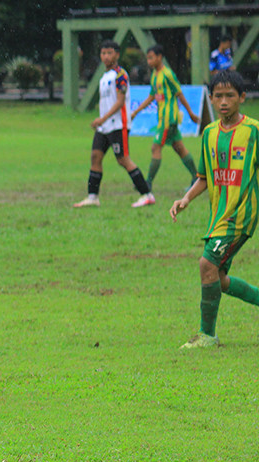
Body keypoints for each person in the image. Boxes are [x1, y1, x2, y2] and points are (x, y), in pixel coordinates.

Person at [170, 70, 259, 349]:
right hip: (218, 216)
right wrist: (185, 199)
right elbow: (205, 177)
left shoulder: (254, 131)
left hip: (241, 215)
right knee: (217, 278)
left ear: (242, 97)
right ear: (210, 98)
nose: (223, 101)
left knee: (206, 264)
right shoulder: (209, 133)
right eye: (218, 96)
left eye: (229, 96)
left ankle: (207, 335)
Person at [74, 41, 155, 209]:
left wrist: (102, 118)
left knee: (123, 160)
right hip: (104, 127)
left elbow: (120, 102)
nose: (105, 56)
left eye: (109, 53)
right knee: (95, 157)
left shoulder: (121, 75)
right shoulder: (104, 77)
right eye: (103, 53)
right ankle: (92, 197)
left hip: (118, 125)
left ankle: (147, 194)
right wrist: (102, 120)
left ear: (117, 55)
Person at [130, 44, 201, 190]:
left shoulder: (168, 74)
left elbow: (179, 93)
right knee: (179, 148)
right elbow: (151, 97)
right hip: (163, 118)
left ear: (159, 57)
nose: (149, 61)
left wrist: (191, 113)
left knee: (155, 147)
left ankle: (147, 183)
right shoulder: (154, 75)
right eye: (148, 58)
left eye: (151, 58)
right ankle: (196, 178)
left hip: (169, 118)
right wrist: (136, 112)